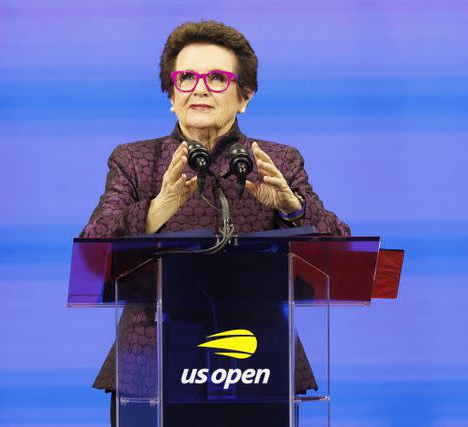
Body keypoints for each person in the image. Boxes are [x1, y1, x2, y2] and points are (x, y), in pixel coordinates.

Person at [79, 20, 351, 425]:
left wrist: (293, 208)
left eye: (217, 78)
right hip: (152, 363)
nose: (199, 88)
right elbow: (92, 252)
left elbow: (341, 253)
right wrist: (158, 208)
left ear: (245, 97)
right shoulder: (136, 161)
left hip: (259, 358)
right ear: (171, 96)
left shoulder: (275, 161)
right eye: (186, 77)